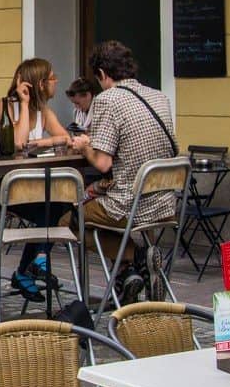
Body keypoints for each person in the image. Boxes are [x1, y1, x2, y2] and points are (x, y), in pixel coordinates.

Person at [65, 41, 178, 302]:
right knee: (97, 207)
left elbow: (103, 164)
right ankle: (132, 270)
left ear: (103, 74)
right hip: (163, 204)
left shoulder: (107, 99)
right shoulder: (159, 96)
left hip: (129, 206)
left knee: (71, 217)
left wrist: (84, 147)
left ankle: (133, 262)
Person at [0, 58, 72, 302]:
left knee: (63, 204)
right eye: (52, 78)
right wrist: (23, 101)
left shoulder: (43, 112)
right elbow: (18, 144)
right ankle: (33, 264)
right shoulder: (4, 106)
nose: (57, 82)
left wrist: (42, 142)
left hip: (26, 185)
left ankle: (27, 268)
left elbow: (65, 138)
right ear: (40, 83)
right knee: (50, 207)